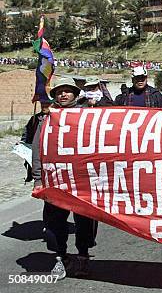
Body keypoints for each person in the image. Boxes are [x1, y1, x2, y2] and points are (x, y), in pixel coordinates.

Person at [31, 78, 98, 279]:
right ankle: (61, 256)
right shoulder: (47, 119)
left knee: (84, 221)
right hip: (56, 179)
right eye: (60, 92)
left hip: (82, 180)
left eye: (68, 91)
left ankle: (83, 256)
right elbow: (37, 149)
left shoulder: (88, 117)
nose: (63, 95)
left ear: (76, 95)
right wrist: (37, 177)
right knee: (55, 222)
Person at [20, 100, 52, 183]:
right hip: (37, 149)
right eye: (42, 104)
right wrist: (23, 143)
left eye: (47, 104)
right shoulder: (35, 118)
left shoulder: (56, 117)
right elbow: (27, 133)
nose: (44, 106)